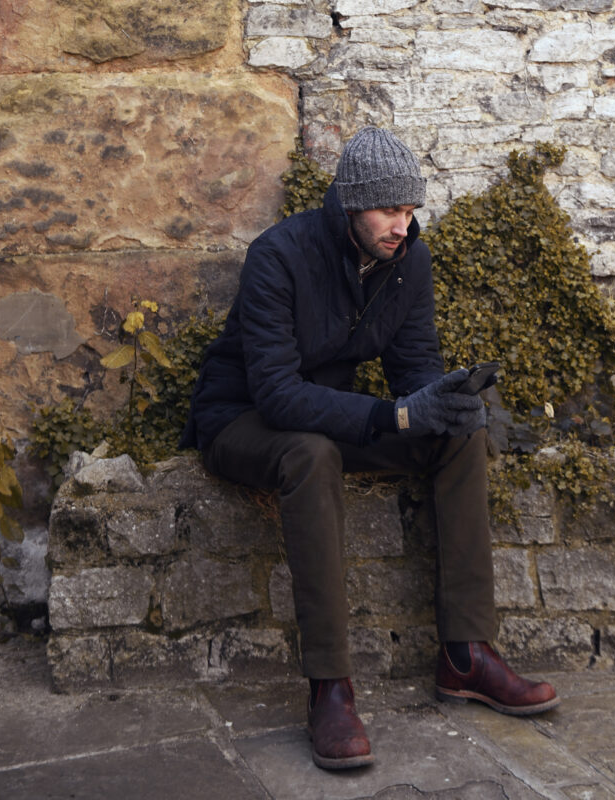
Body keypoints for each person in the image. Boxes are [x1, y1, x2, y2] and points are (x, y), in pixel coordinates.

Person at [180, 126, 560, 770]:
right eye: (389, 211)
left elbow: (414, 369)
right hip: (244, 422)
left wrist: (443, 400)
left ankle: (466, 656)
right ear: (352, 206)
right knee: (310, 455)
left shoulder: (409, 260)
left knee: (459, 434)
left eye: (409, 211)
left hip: (334, 419)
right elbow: (276, 394)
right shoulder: (280, 255)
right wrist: (397, 413)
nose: (401, 227)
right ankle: (331, 687)